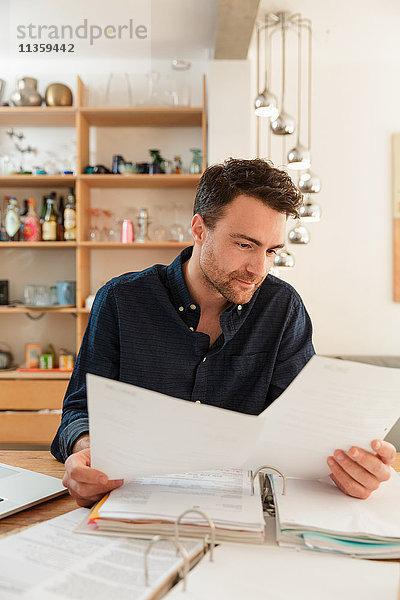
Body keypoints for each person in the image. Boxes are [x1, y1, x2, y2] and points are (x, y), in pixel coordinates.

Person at [51, 158, 396, 506]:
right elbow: (79, 411)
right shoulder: (121, 300)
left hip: (244, 510)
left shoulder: (283, 308)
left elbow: (303, 429)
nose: (258, 269)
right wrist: (87, 451)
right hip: (133, 501)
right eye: (245, 245)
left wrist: (350, 466)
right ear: (200, 229)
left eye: (271, 251)